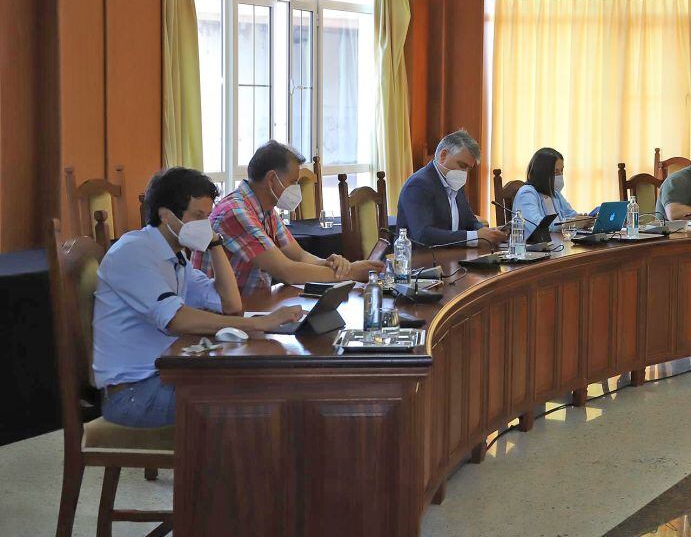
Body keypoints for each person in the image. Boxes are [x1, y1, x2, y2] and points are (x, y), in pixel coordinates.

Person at [93, 167, 302, 428]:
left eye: (208, 216)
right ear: (166, 216)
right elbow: (177, 320)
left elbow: (232, 306)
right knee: (249, 404)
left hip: (168, 375)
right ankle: (225, 468)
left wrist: (215, 243)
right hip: (134, 394)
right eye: (198, 217)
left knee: (257, 387)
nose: (206, 225)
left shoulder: (177, 257)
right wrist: (260, 323)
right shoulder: (134, 253)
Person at [193, 140, 382, 297]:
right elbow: (286, 271)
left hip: (253, 305)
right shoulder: (236, 212)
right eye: (293, 182)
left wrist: (331, 263)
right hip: (222, 316)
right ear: (271, 179)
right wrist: (350, 273)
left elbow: (299, 255)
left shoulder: (265, 210)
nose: (296, 189)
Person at [397, 129, 508, 247]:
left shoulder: (454, 181)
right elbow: (423, 235)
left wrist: (489, 233)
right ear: (443, 156)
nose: (464, 173)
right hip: (421, 260)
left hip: (453, 257)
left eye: (468, 169)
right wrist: (475, 237)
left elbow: (470, 222)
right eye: (462, 165)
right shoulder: (419, 184)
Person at [511, 148, 587, 239]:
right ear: (542, 173)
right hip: (531, 249)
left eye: (561, 171)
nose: (560, 175)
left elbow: (570, 215)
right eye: (556, 171)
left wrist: (584, 219)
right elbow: (539, 225)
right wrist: (571, 223)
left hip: (556, 243)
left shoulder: (554, 193)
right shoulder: (527, 194)